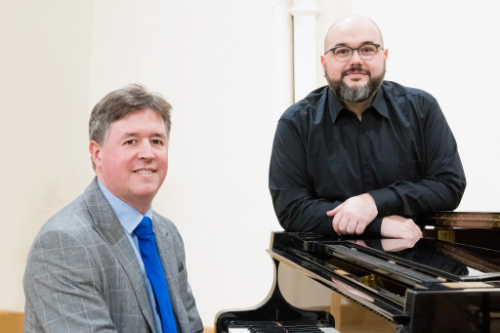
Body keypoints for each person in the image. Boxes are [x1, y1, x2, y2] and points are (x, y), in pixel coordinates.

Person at [23, 84, 203, 333]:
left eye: (157, 141)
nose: (148, 153)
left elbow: (192, 327)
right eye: (131, 141)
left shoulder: (166, 233)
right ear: (97, 153)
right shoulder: (63, 243)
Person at [269, 16, 466, 238]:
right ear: (324, 64)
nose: (355, 60)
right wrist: (378, 225)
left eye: (367, 49)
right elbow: (292, 210)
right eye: (342, 51)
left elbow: (449, 185)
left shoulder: (422, 109)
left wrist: (374, 202)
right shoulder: (295, 123)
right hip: (328, 263)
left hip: (416, 258)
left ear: (385, 57)